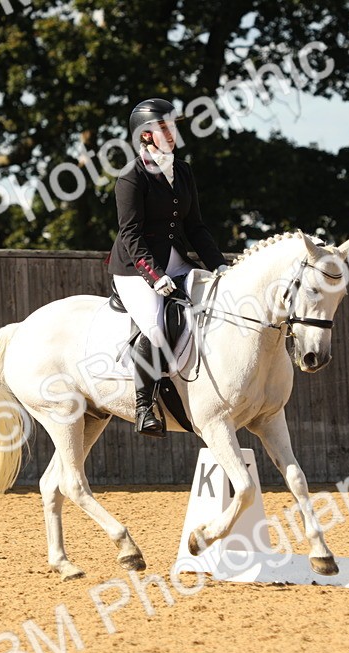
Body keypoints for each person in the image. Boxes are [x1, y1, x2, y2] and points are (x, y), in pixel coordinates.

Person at [106, 98, 229, 437]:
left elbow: (196, 228)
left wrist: (220, 266)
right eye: (163, 128)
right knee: (156, 327)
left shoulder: (183, 170)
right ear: (145, 136)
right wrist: (155, 275)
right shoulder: (131, 177)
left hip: (176, 260)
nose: (171, 133)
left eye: (173, 126)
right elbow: (130, 234)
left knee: (217, 307)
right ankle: (144, 406)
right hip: (135, 267)